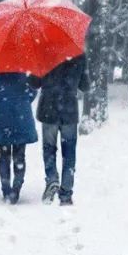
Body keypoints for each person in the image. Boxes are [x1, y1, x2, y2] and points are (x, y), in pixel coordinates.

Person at [30, 55, 89, 206]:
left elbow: (34, 83)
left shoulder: (44, 52)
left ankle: (52, 179)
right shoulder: (78, 54)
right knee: (69, 152)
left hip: (48, 109)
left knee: (49, 148)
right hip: (69, 110)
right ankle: (66, 194)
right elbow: (85, 86)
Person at [0, 71, 38, 204]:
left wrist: (3, 99)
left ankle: (6, 190)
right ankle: (16, 189)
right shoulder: (26, 69)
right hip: (22, 115)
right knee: (20, 156)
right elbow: (32, 93)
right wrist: (22, 100)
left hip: (3, 116)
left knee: (4, 155)